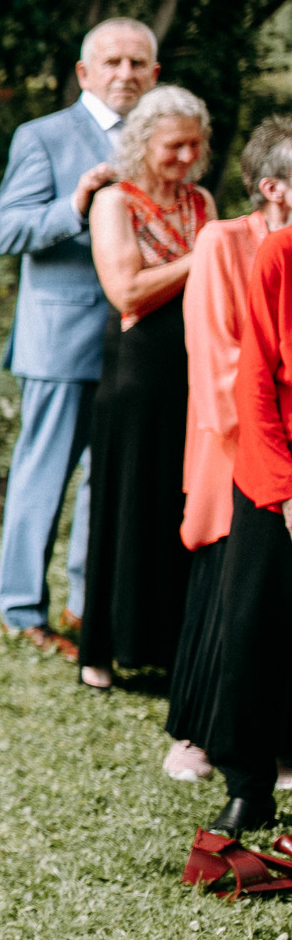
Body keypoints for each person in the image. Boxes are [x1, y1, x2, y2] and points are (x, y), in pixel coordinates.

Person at [0, 17, 160, 657]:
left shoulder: (163, 139)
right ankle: (22, 610)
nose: (125, 74)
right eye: (111, 62)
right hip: (61, 337)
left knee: (106, 481)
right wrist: (74, 207)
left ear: (155, 74)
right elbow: (3, 231)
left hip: (137, 341)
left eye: (137, 63)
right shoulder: (45, 137)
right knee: (44, 473)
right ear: (84, 73)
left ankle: (89, 607)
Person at [166, 118, 292, 784]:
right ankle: (196, 734)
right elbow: (217, 355)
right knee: (227, 592)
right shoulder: (222, 241)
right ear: (272, 186)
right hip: (234, 441)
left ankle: (271, 741)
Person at [77, 86, 215, 691]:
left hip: (197, 367)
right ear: (142, 144)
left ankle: (166, 644)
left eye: (196, 145)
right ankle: (103, 652)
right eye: (174, 146)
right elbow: (126, 291)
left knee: (178, 502)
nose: (187, 157)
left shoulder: (202, 201)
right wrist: (207, 252)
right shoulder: (114, 201)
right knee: (128, 498)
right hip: (137, 369)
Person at [193, 197, 292, 833]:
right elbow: (254, 377)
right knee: (252, 628)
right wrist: (284, 490)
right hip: (274, 464)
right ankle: (249, 788)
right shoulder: (279, 254)